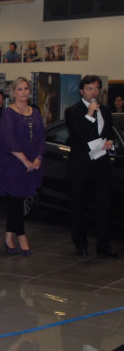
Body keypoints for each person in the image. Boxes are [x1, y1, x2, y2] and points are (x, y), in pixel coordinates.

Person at [65, 75, 120, 258]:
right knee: (79, 206)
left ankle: (103, 244)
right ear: (82, 91)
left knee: (104, 205)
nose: (93, 92)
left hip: (101, 164)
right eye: (89, 89)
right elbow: (78, 135)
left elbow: (108, 132)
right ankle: (80, 243)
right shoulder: (73, 111)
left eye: (96, 88)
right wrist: (89, 114)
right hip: (81, 165)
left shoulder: (104, 110)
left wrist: (110, 141)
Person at [0, 77, 45, 256]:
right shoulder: (9, 113)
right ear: (13, 92)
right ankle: (22, 236)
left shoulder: (36, 112)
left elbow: (41, 137)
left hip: (32, 163)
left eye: (26, 89)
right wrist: (25, 160)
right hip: (13, 163)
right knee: (15, 201)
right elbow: (8, 139)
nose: (24, 92)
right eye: (19, 89)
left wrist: (38, 157)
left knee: (18, 202)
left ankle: (8, 236)